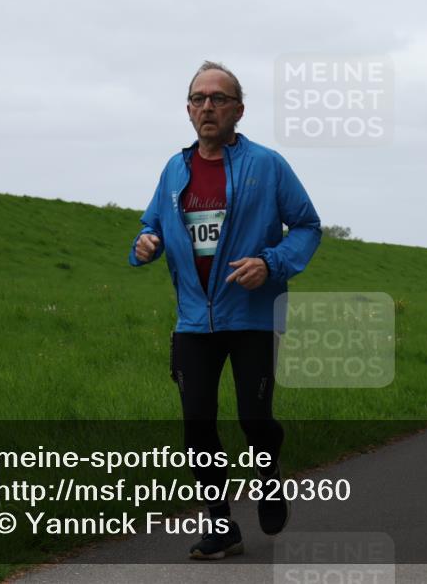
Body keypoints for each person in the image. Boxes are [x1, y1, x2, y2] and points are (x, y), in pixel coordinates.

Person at [130, 61, 322, 559]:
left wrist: (270, 262)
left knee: (254, 418)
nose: (207, 106)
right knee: (197, 423)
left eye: (218, 98)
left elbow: (306, 226)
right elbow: (150, 223)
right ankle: (221, 525)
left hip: (252, 316)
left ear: (238, 109)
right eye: (198, 98)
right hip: (194, 319)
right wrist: (144, 243)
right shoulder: (176, 169)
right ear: (189, 110)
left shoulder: (267, 164)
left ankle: (268, 475)